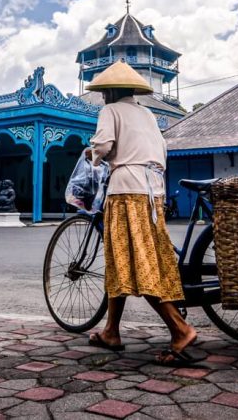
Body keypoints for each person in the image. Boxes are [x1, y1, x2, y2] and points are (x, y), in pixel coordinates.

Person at [85, 61, 198, 365]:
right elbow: (161, 150)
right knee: (125, 259)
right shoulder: (147, 114)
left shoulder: (110, 111)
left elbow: (105, 144)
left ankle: (180, 329)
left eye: (104, 92)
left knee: (136, 262)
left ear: (109, 90)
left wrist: (92, 153)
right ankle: (111, 331)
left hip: (126, 191)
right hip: (153, 192)